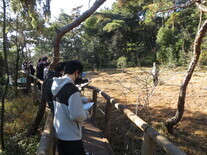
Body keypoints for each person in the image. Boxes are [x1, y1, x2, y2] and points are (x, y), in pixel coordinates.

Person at [51, 60, 88, 155]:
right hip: (71, 136)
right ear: (76, 72)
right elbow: (76, 115)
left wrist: (81, 99)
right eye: (79, 74)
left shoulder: (56, 85)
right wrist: (87, 113)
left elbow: (64, 99)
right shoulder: (72, 89)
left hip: (60, 132)